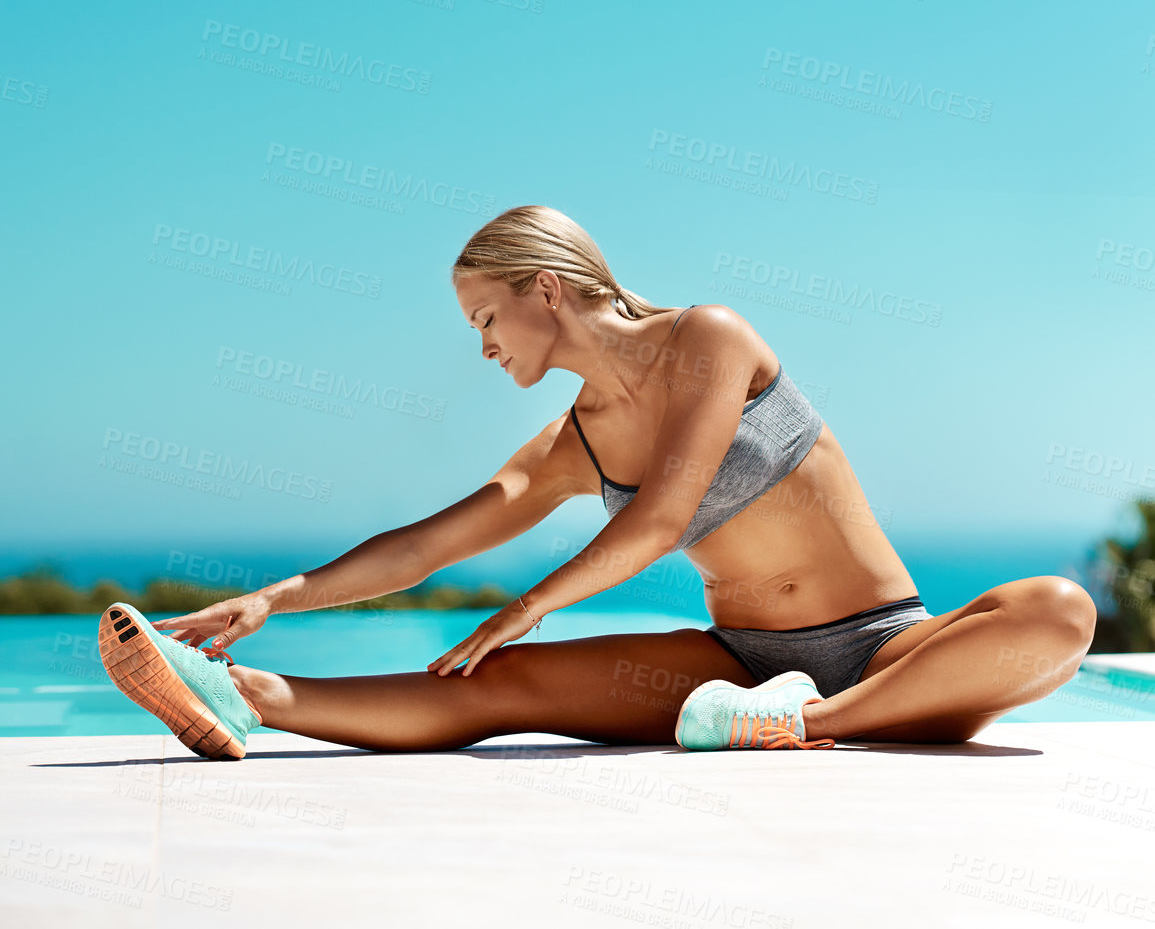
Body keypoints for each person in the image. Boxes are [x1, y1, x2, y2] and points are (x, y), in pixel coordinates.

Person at [99, 206, 1096, 759]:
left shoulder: (710, 336)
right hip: (736, 665)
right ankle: (245, 698)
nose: (482, 347)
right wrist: (277, 598)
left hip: (887, 651)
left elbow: (664, 516)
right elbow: (430, 544)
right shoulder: (572, 441)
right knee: (497, 685)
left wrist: (528, 603)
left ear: (546, 289)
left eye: (486, 319)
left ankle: (807, 723)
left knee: (1056, 612)